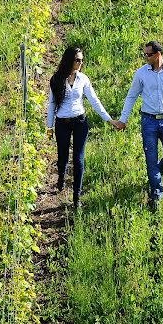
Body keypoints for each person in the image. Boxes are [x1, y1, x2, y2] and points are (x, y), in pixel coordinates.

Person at [114, 40, 163, 209]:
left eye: (149, 54)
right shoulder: (141, 74)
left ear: (158, 54)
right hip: (148, 121)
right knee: (151, 159)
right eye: (144, 54)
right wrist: (123, 119)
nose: (146, 57)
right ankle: (156, 195)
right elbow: (131, 96)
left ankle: (155, 177)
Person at [46, 46, 116, 209]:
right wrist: (49, 126)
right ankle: (61, 178)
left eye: (82, 60)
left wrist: (108, 119)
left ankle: (77, 197)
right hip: (62, 122)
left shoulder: (83, 79)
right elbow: (51, 104)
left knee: (78, 158)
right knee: (62, 156)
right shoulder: (56, 79)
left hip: (80, 121)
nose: (80, 63)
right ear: (69, 60)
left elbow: (94, 100)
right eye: (77, 60)